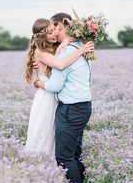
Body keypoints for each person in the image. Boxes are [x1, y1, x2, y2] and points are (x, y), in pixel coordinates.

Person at [34, 13, 93, 183]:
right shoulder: (79, 48)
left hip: (71, 109)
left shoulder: (67, 52)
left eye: (53, 28)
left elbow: (54, 87)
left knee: (64, 156)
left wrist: (39, 82)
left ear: (60, 26)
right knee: (74, 154)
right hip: (82, 107)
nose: (52, 32)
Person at [24, 18, 94, 156]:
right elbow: (60, 65)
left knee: (57, 136)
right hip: (46, 96)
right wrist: (81, 51)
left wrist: (67, 41)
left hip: (58, 97)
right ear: (42, 36)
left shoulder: (57, 47)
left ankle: (57, 171)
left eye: (55, 30)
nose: (55, 34)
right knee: (44, 132)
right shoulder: (40, 52)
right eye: (50, 32)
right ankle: (40, 166)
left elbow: (75, 37)